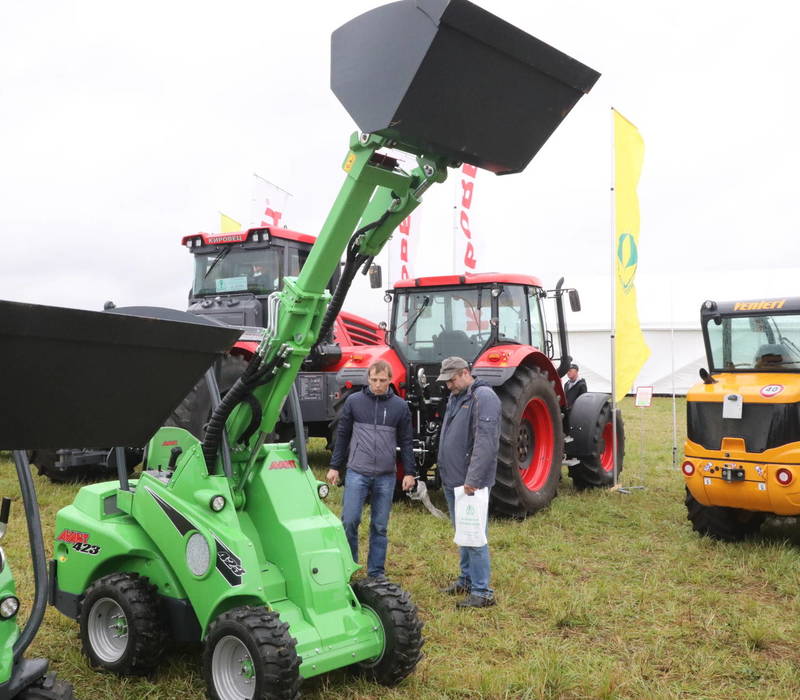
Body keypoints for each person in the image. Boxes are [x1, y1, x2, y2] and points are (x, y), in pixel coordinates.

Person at [327, 360, 416, 580]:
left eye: (383, 380)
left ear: (390, 380)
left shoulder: (400, 407)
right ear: (368, 379)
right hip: (357, 472)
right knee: (349, 520)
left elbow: (406, 441)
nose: (378, 385)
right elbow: (343, 436)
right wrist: (335, 467)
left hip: (386, 476)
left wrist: (409, 472)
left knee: (379, 525)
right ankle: (350, 566)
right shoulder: (354, 402)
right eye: (374, 380)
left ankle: (376, 573)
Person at [436, 356, 501, 608]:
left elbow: (485, 443)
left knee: (474, 535)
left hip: (469, 484)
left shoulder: (483, 398)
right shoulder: (457, 397)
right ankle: (466, 579)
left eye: (451, 380)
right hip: (454, 480)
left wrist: (472, 479)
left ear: (465, 373)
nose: (448, 385)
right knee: (462, 533)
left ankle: (482, 591)